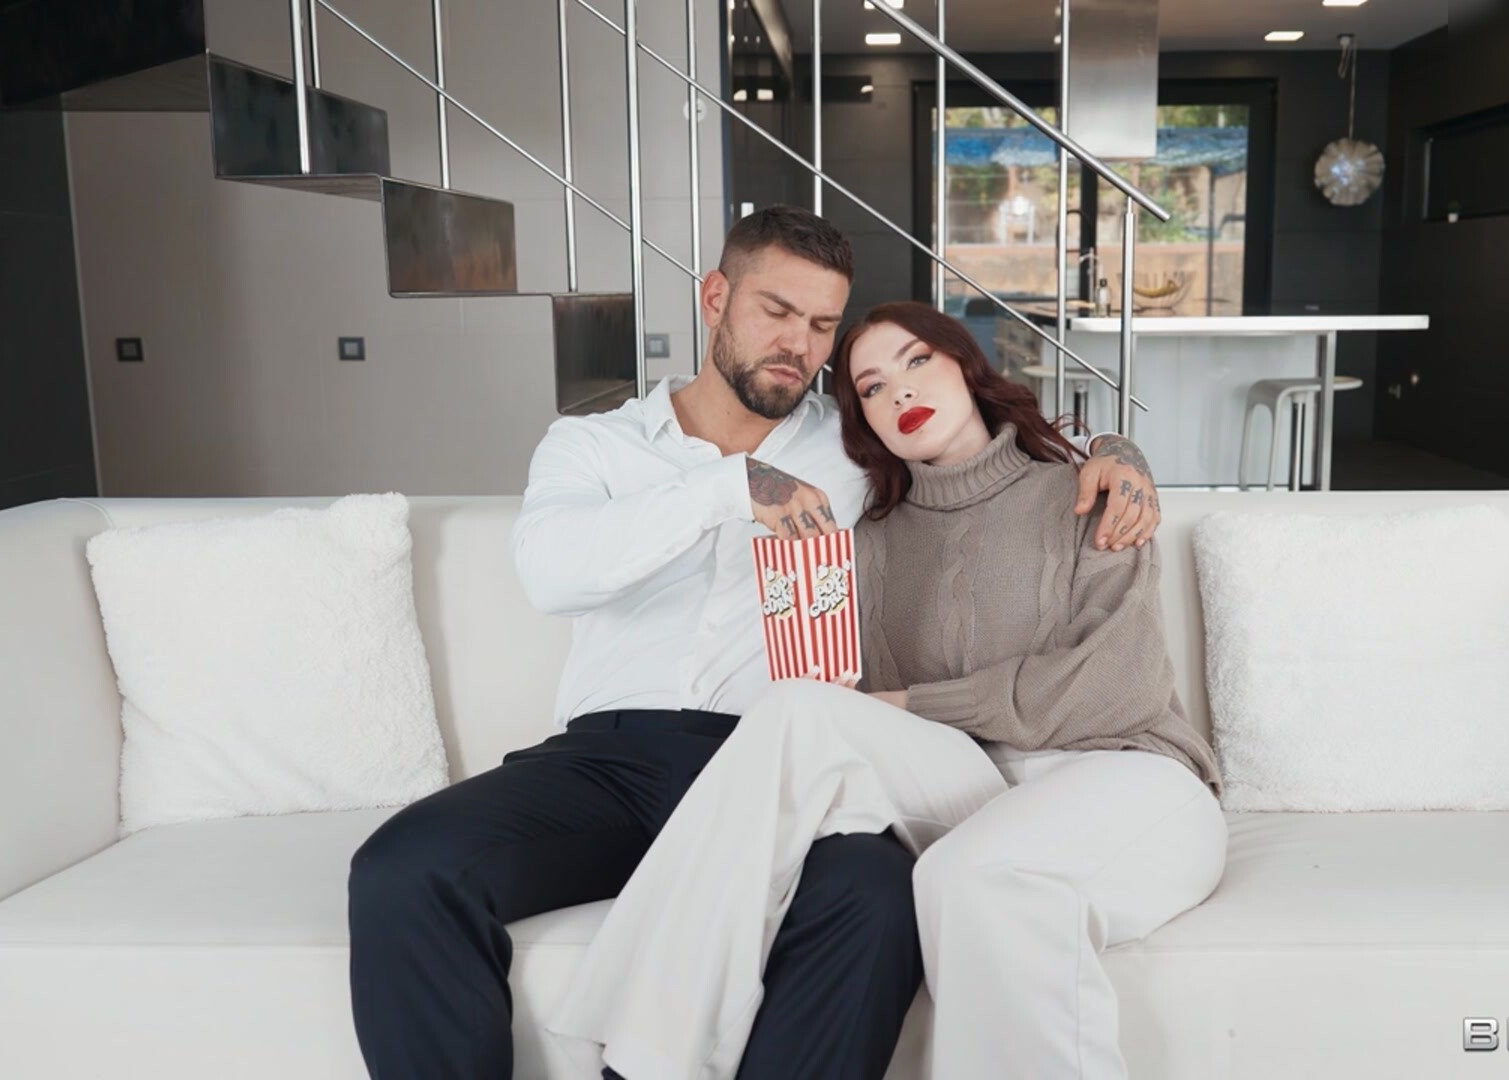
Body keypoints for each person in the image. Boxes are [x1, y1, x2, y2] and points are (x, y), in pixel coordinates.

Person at [347, 207, 1164, 1080]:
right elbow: (553, 575)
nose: (797, 344)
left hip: (794, 771)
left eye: (820, 325)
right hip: (606, 762)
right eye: (776, 311)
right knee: (402, 870)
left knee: (875, 898)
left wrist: (1118, 452)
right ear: (715, 298)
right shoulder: (594, 446)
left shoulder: (856, 447)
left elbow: (975, 450)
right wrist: (727, 490)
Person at [545, 299, 1225, 1080]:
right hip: (978, 786)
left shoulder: (1088, 492)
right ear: (862, 419)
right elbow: (835, 711)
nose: (898, 390)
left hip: (1128, 776)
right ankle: (649, 1057)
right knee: (797, 709)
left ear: (966, 366)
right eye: (870, 387)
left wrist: (908, 706)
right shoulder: (864, 543)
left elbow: (1119, 687)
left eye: (917, 361)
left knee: (967, 879)